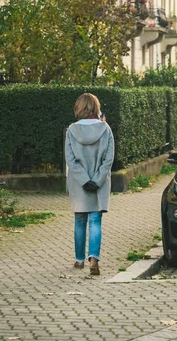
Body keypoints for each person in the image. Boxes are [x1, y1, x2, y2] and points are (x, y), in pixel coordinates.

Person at [65, 93, 114, 275]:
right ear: (95, 107)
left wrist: (84, 180)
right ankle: (93, 258)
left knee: (79, 220)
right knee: (95, 220)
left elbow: (70, 159)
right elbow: (109, 159)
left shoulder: (71, 130)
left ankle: (79, 260)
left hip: (79, 184)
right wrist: (97, 179)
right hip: (99, 183)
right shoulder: (105, 129)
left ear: (79, 108)